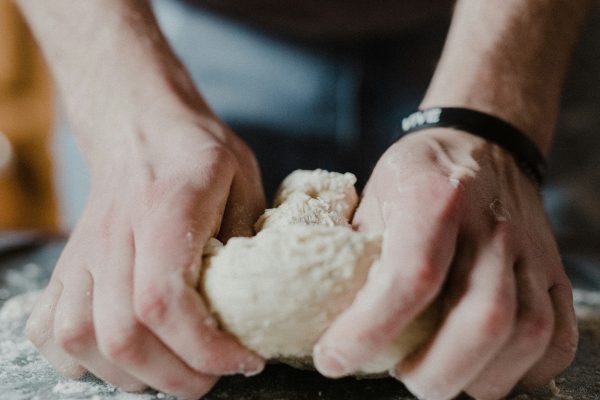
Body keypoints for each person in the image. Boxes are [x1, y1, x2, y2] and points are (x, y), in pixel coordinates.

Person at [16, 0, 589, 399]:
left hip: (525, 32)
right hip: (178, 34)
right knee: (140, 292)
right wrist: (128, 114)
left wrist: (492, 121)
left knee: (513, 312)